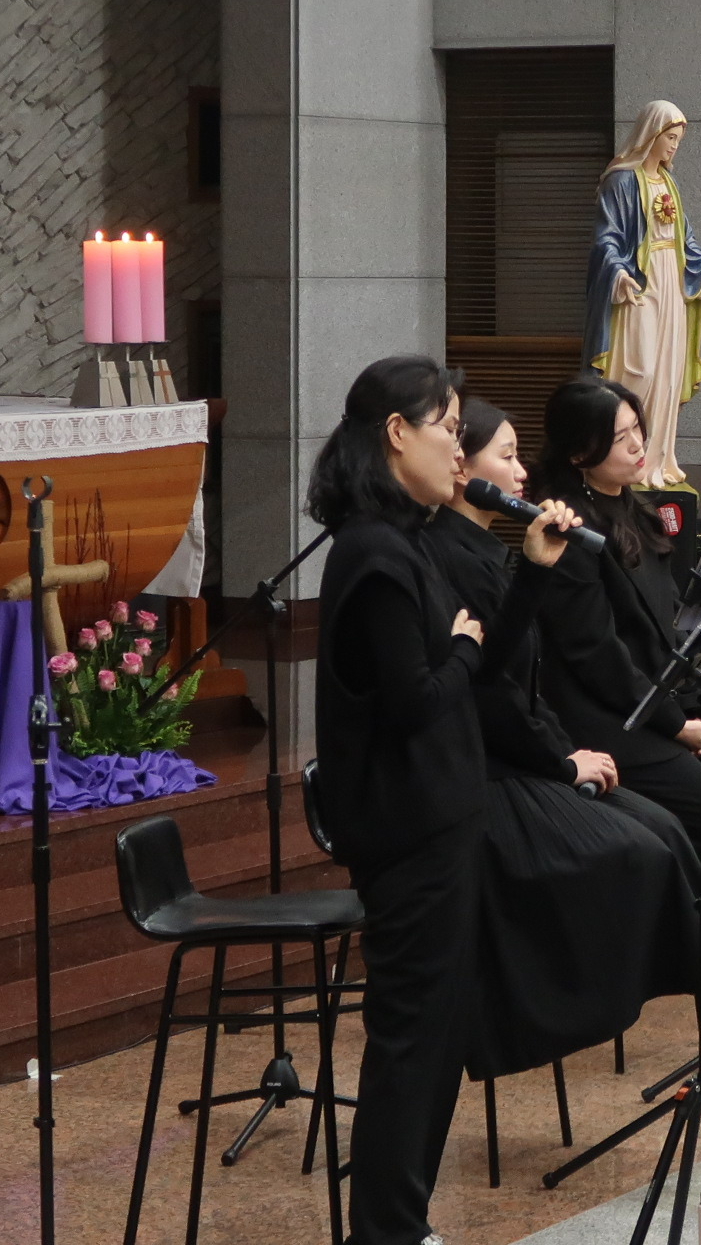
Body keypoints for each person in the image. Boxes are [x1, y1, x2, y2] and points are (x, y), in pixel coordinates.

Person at [420, 398, 701, 1080]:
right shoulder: (445, 554)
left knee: (668, 832)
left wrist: (561, 748)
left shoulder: (490, 549)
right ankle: (610, 1001)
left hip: (530, 751)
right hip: (494, 774)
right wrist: (560, 760)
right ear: (463, 471)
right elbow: (492, 693)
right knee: (644, 849)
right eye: (506, 457)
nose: (522, 473)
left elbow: (524, 681)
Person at [307, 356, 491, 1245]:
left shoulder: (405, 539)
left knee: (438, 1035)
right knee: (410, 1040)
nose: (458, 448)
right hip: (406, 826)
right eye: (447, 428)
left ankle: (403, 1222)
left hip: (440, 816)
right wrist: (464, 649)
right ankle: (384, 1230)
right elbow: (414, 699)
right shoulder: (373, 552)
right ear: (395, 433)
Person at [529, 376, 701, 933]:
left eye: (638, 428)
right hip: (617, 724)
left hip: (670, 707)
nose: (638, 444)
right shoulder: (569, 531)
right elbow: (596, 656)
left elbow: (675, 628)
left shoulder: (638, 510)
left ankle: (683, 913)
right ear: (580, 453)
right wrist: (678, 726)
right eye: (621, 437)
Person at [586, 100, 701, 489]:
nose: (674, 146)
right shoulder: (622, 181)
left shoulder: (669, 183)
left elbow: (685, 240)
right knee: (639, 371)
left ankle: (655, 460)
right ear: (651, 134)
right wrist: (618, 273)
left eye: (678, 140)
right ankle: (620, 459)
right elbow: (606, 238)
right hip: (639, 286)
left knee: (667, 376)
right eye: (669, 138)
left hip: (671, 285)